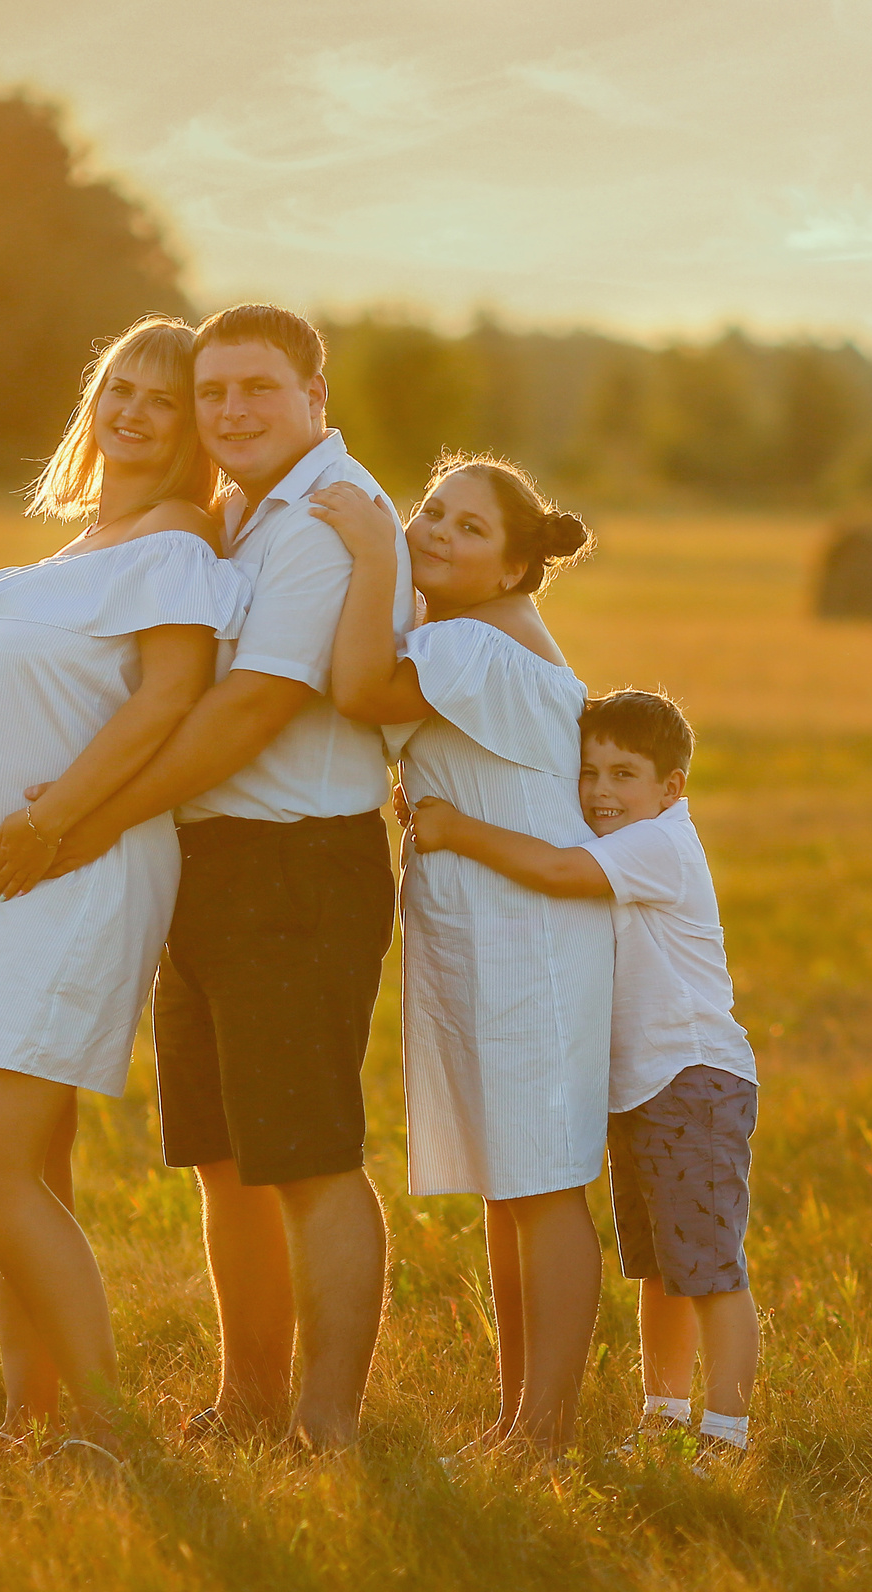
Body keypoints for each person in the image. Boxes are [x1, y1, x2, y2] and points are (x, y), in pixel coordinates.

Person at [0, 315, 247, 1464]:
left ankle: (105, 1429)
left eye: (162, 400)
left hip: (71, 864)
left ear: (193, 433)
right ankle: (30, 1416)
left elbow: (167, 697)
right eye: (117, 390)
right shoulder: (88, 541)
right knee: (33, 1162)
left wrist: (53, 810)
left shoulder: (174, 545)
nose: (130, 412)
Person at [36, 306, 413, 1453]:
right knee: (223, 1160)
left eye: (259, 388)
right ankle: (247, 1398)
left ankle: (326, 1423)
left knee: (307, 1157)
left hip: (295, 865)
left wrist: (94, 819)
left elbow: (251, 709)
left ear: (315, 398)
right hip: (209, 866)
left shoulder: (321, 524)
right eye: (214, 394)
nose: (232, 412)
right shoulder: (239, 514)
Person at [311, 456, 614, 1461]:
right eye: (431, 511)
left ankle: (546, 1432)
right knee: (509, 1181)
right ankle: (516, 1424)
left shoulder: (479, 644)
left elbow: (356, 689)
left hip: (525, 934)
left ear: (515, 568)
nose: (436, 531)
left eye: (470, 529)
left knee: (541, 1182)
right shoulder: (462, 635)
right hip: (487, 929)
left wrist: (365, 550)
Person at [408, 690, 763, 1461]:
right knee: (662, 1269)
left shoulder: (659, 843)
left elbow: (558, 868)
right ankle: (664, 1417)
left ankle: (728, 1436)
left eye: (624, 774)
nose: (602, 790)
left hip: (692, 1078)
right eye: (590, 771)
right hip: (645, 1087)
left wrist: (455, 828)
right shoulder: (633, 834)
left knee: (707, 1270)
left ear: (671, 788)